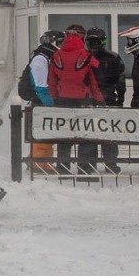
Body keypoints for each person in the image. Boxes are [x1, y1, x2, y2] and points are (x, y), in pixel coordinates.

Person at [48, 31, 104, 179]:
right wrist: (99, 99)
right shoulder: (86, 56)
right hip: (83, 100)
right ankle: (84, 169)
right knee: (85, 135)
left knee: (65, 136)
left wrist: (55, 98)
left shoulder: (56, 56)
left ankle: (63, 169)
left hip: (63, 101)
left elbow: (51, 81)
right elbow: (94, 80)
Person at [85, 27, 126, 173]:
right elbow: (120, 81)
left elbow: (121, 80)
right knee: (97, 133)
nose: (94, 45)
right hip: (95, 100)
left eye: (96, 41)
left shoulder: (112, 57)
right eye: (92, 41)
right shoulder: (85, 56)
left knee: (104, 133)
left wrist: (120, 100)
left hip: (101, 100)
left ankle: (106, 163)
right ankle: (104, 163)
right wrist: (120, 99)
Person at [25, 31, 64, 173]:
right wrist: (49, 102)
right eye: (61, 42)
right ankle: (37, 162)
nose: (62, 46)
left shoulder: (49, 56)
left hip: (45, 99)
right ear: (54, 42)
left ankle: (43, 161)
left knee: (47, 133)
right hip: (41, 100)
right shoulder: (41, 58)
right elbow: (39, 84)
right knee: (42, 132)